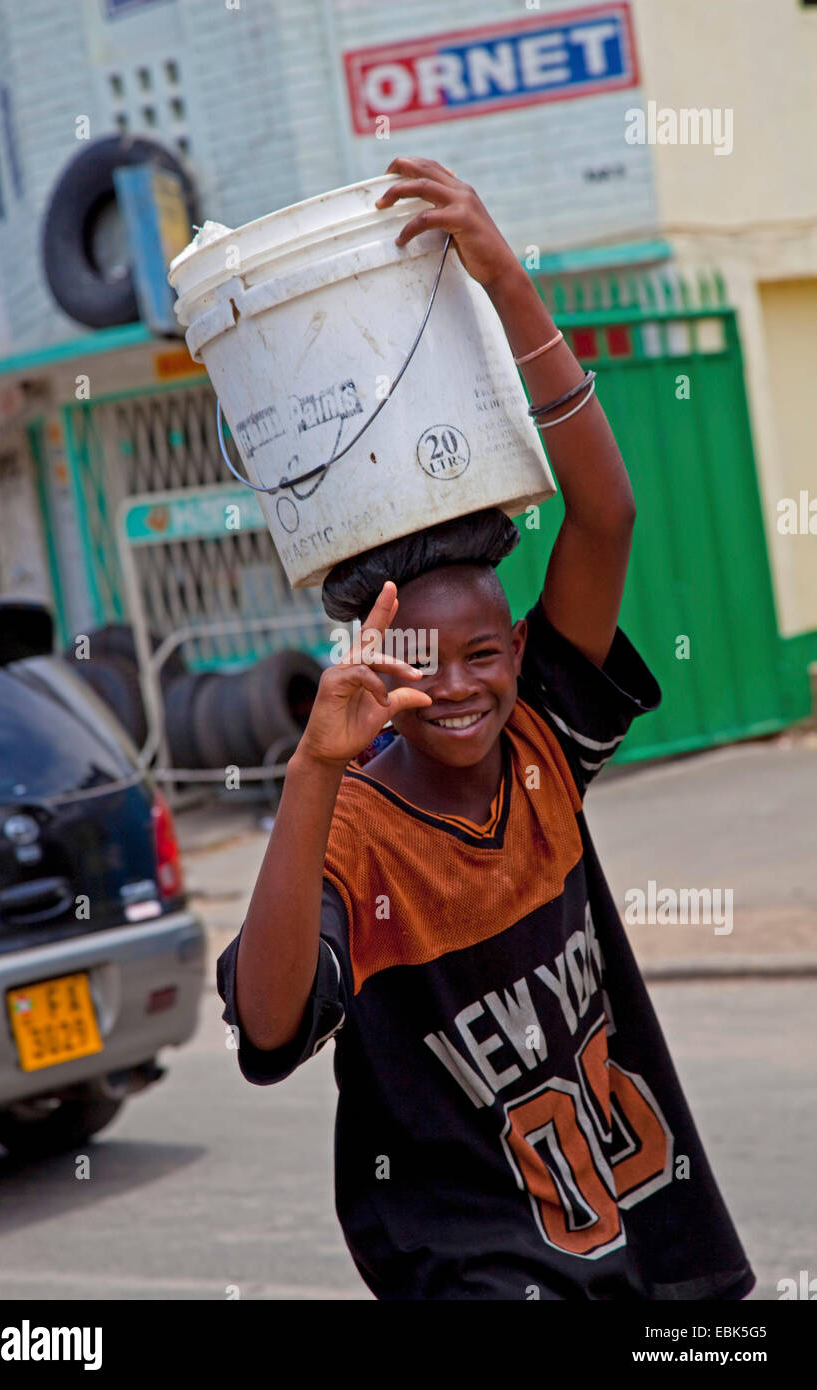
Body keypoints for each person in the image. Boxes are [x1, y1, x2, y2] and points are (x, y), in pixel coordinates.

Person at [216, 156, 755, 1301]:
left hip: (637, 1244)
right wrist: (314, 768)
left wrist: (505, 278)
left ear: (520, 650)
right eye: (419, 659)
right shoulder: (353, 830)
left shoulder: (542, 744)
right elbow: (266, 1030)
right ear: (375, 666)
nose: (456, 686)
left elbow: (602, 511)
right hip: (469, 1269)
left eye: (482, 654)